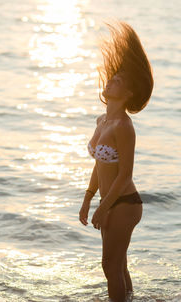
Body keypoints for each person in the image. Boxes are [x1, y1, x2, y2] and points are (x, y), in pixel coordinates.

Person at [79, 20, 153, 302]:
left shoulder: (124, 126)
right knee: (118, 264)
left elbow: (124, 175)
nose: (110, 80)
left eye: (118, 80)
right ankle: (129, 299)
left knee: (110, 265)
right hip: (109, 201)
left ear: (128, 93)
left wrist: (104, 208)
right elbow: (100, 165)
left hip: (125, 203)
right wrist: (88, 199)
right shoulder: (103, 120)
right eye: (112, 77)